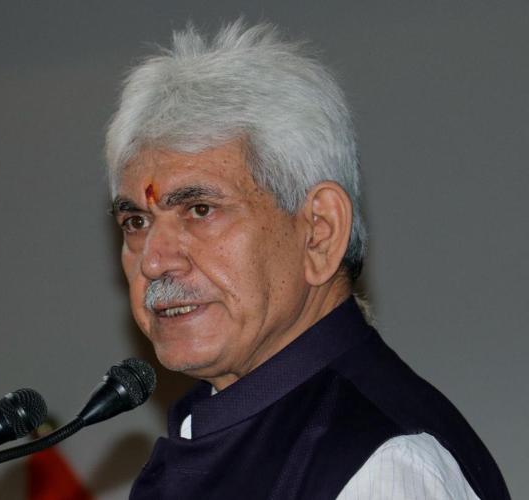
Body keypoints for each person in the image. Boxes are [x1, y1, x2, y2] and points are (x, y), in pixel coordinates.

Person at [105, 20, 510, 499]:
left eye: (200, 210)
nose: (154, 261)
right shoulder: (215, 429)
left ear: (320, 231)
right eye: (136, 222)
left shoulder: (382, 464)